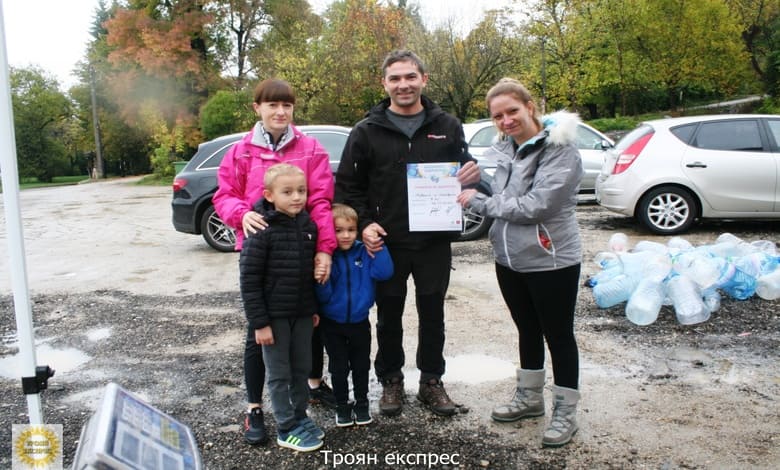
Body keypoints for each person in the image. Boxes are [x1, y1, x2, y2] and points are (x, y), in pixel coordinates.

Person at [335, 50, 481, 417]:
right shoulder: (366, 130)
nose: (403, 84)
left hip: (433, 240)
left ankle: (431, 381)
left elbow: (464, 170)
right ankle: (391, 380)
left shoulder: (447, 124)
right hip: (387, 243)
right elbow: (348, 188)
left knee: (433, 313)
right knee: (388, 314)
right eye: (395, 78)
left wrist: (472, 178)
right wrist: (366, 224)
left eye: (410, 77)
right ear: (384, 83)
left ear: (424, 80)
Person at [456, 77, 583, 447]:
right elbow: (504, 193)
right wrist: (474, 181)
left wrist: (478, 203)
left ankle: (565, 409)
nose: (506, 120)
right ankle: (529, 398)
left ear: (530, 106)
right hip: (509, 259)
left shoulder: (562, 152)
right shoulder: (506, 149)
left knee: (558, 336)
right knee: (527, 330)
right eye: (498, 116)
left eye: (512, 111)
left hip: (551, 260)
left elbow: (535, 206)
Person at [212, 78, 336, 446]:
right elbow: (224, 194)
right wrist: (239, 213)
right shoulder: (240, 152)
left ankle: (301, 402)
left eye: (287, 105)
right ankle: (255, 408)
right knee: (260, 333)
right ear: (258, 109)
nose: (280, 112)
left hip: (299, 251)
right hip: (261, 251)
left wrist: (324, 247)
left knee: (303, 325)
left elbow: (321, 202)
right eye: (272, 105)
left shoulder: (310, 148)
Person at [239, 163, 324, 452]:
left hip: (301, 314)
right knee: (279, 373)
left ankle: (300, 416)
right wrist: (259, 323)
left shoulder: (308, 225)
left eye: (301, 190)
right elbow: (249, 279)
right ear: (269, 195)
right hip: (273, 318)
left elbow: (306, 275)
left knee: (302, 368)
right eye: (287, 192)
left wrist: (312, 308)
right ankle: (286, 427)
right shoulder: (261, 229)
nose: (297, 197)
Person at [315, 204, 394, 427]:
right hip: (333, 323)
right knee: (338, 367)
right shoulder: (326, 255)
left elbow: (384, 272)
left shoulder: (363, 251)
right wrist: (321, 279)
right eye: (338, 230)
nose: (346, 235)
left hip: (359, 321)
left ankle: (361, 403)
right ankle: (342, 405)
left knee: (361, 365)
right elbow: (322, 294)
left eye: (350, 229)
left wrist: (379, 246)